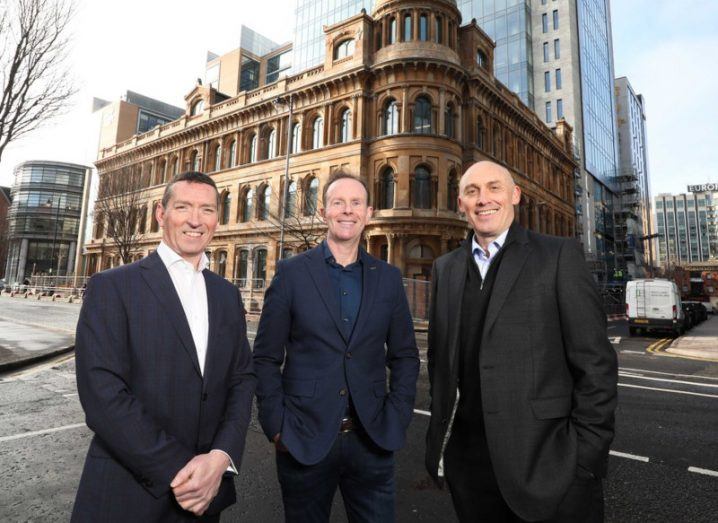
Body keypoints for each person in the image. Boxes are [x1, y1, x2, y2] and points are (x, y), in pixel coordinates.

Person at [425, 161, 618, 522]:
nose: (484, 199)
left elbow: (596, 365)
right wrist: (442, 449)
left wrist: (585, 460)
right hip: (470, 472)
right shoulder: (445, 268)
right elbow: (440, 362)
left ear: (515, 195)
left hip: (551, 470)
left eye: (494, 188)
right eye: (472, 191)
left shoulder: (559, 256)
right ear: (460, 203)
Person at [72, 172, 256, 522]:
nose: (195, 220)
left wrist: (220, 457)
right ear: (161, 213)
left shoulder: (227, 295)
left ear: (218, 217)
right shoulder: (112, 287)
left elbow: (242, 380)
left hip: (206, 495)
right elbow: (102, 395)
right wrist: (182, 470)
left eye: (207, 209)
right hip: (128, 495)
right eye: (183, 207)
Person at [253, 172, 419, 522]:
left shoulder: (387, 278)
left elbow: (404, 355)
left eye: (356, 203)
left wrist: (398, 415)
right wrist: (277, 423)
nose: (348, 211)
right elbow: (266, 357)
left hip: (372, 440)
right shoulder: (291, 274)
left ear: (369, 212)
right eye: (338, 203)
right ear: (324, 212)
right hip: (303, 438)